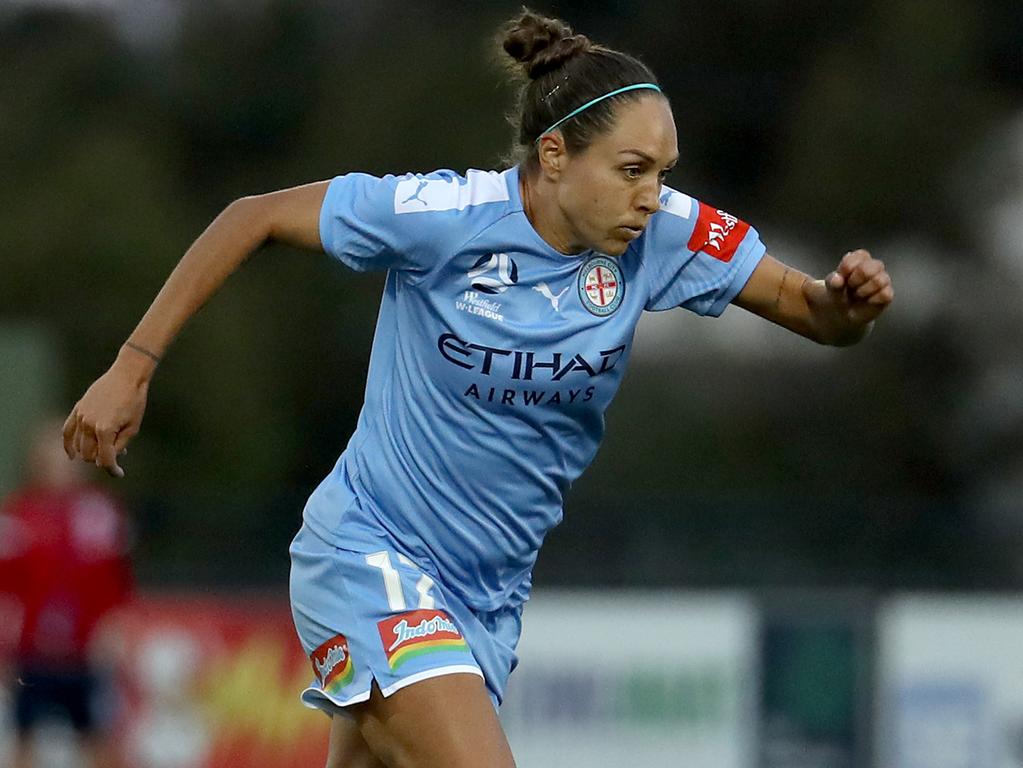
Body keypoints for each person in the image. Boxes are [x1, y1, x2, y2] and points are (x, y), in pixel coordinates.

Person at [61, 10, 893, 768]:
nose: (654, 194)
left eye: (664, 171)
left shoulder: (664, 232)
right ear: (556, 156)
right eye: (633, 168)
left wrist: (844, 304)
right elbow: (252, 214)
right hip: (372, 554)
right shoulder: (444, 216)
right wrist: (132, 366)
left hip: (486, 600)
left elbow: (812, 314)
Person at [0, 418, 133, 768]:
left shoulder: (101, 514)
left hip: (86, 651)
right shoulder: (18, 516)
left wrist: (113, 628)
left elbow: (117, 584)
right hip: (33, 650)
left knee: (100, 735)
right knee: (24, 734)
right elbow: (8, 590)